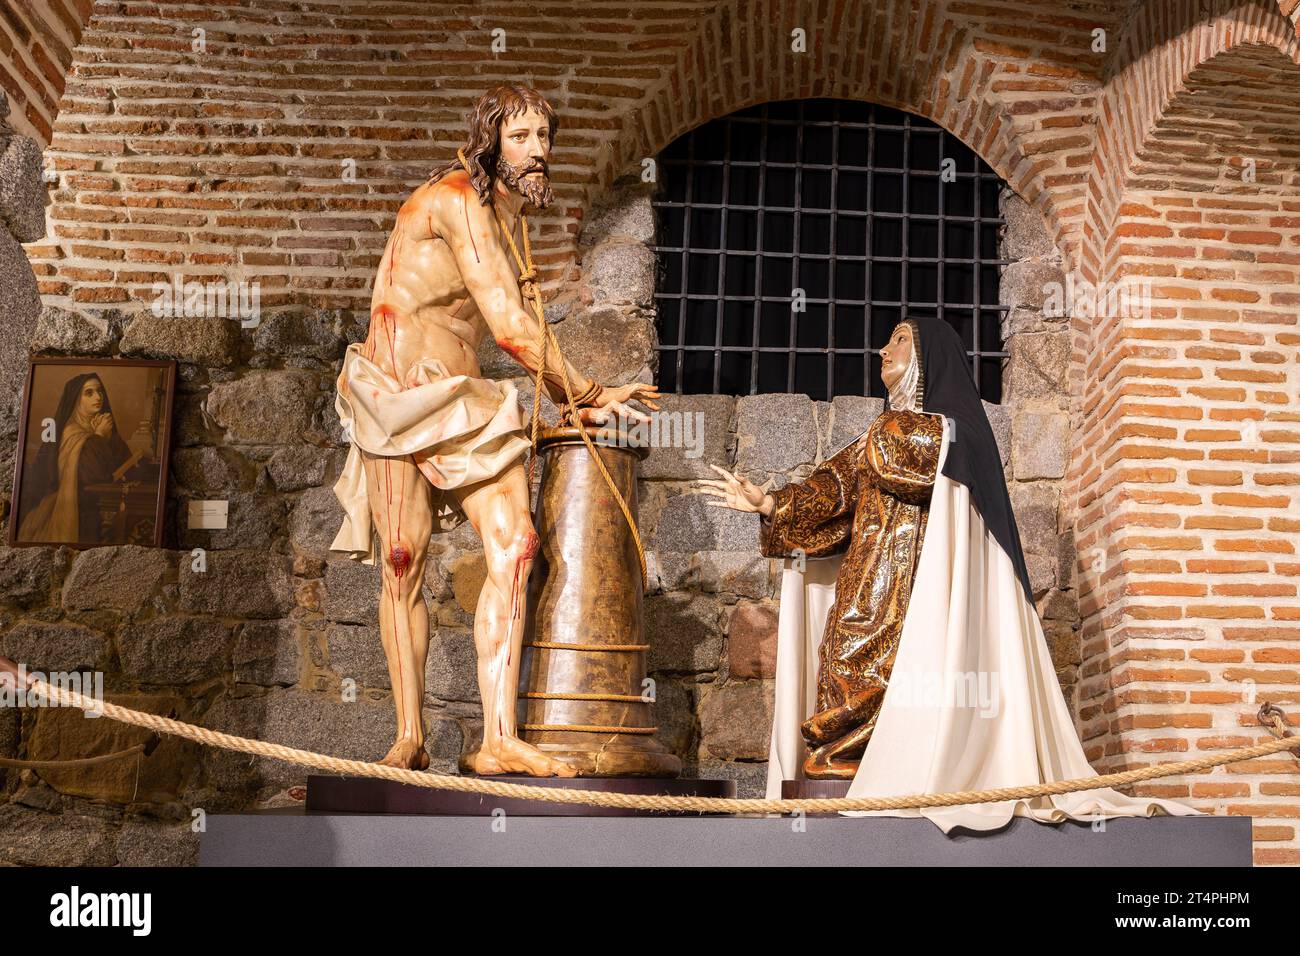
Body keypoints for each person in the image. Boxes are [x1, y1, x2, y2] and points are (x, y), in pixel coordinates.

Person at [695, 317, 1199, 832]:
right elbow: (835, 488)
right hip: (868, 575)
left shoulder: (955, 430)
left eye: (899, 341)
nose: (882, 350)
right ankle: (845, 761)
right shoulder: (883, 434)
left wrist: (891, 435)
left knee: (880, 667)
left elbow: (913, 453)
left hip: (919, 583)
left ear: (930, 356)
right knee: (841, 655)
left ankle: (879, 762)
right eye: (886, 341)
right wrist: (770, 502)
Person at [329, 84, 659, 775]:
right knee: (401, 559)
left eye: (545, 137)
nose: (539, 151)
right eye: (522, 137)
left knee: (516, 546)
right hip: (396, 393)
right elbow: (510, 331)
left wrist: (575, 400)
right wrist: (590, 390)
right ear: (490, 142)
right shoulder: (457, 200)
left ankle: (498, 738)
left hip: (462, 400)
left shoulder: (509, 218)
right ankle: (408, 735)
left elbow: (515, 321)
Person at [18, 372, 132, 545]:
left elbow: (125, 461)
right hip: (79, 511)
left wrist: (104, 436)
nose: (98, 397)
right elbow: (95, 474)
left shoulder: (100, 424)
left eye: (99, 391)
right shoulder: (71, 432)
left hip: (99, 506)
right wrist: (100, 436)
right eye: (89, 393)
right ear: (76, 400)